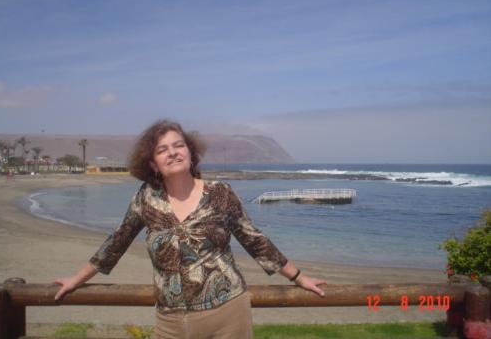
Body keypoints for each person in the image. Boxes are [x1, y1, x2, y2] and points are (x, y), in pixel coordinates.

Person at [54, 119, 327, 339]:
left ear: (189, 152)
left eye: (178, 145)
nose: (172, 152)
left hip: (228, 315)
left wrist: (299, 277)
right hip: (170, 322)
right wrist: (76, 279)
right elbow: (116, 242)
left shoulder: (220, 193)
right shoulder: (146, 199)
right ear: (152, 164)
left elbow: (255, 241)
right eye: (162, 150)